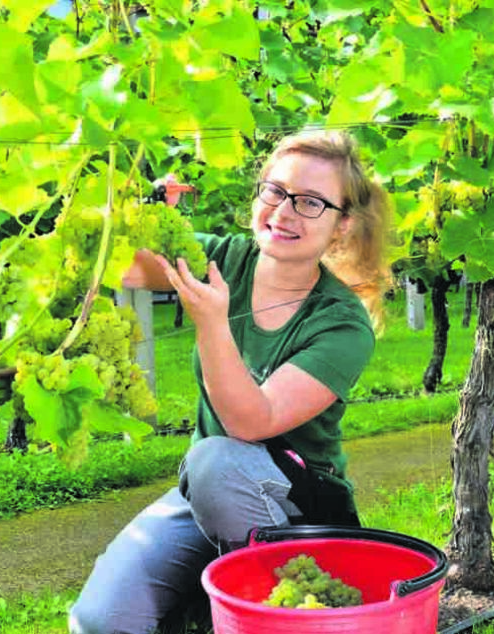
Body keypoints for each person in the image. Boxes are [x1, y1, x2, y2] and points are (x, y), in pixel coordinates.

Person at [69, 129, 392, 634]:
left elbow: (249, 422)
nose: (283, 213)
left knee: (216, 457)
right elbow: (123, 265)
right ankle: (221, 595)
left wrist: (212, 324)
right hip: (206, 492)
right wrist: (117, 207)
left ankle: (288, 612)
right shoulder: (223, 260)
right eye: (275, 191)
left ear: (342, 225)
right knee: (101, 620)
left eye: (310, 203)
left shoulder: (341, 324)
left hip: (301, 509)